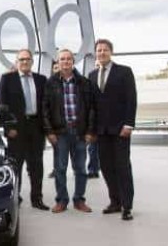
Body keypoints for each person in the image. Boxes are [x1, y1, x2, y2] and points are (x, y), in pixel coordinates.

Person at [88, 39, 137, 221]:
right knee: (107, 167)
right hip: (101, 131)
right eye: (99, 50)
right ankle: (115, 202)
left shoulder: (124, 72)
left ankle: (127, 206)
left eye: (105, 50)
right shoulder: (92, 75)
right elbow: (91, 105)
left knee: (122, 167)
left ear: (111, 52)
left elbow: (131, 99)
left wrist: (128, 124)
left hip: (120, 129)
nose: (101, 53)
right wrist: (92, 130)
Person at [43, 49, 96, 213]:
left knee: (80, 168)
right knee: (60, 168)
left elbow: (92, 109)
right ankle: (62, 200)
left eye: (68, 59)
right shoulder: (50, 83)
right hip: (60, 133)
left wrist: (90, 131)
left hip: (80, 132)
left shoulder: (84, 83)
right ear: (57, 62)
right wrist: (49, 131)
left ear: (73, 62)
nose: (65, 62)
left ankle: (79, 200)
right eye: (62, 59)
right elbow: (44, 110)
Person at [0, 49, 49, 210]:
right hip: (16, 129)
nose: (25, 62)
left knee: (36, 166)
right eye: (21, 59)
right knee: (16, 166)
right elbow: (2, 106)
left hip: (36, 128)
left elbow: (45, 106)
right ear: (17, 62)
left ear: (32, 61)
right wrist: (8, 128)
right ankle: (15, 198)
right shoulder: (7, 79)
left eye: (27, 59)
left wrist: (46, 129)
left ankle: (37, 199)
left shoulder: (41, 80)